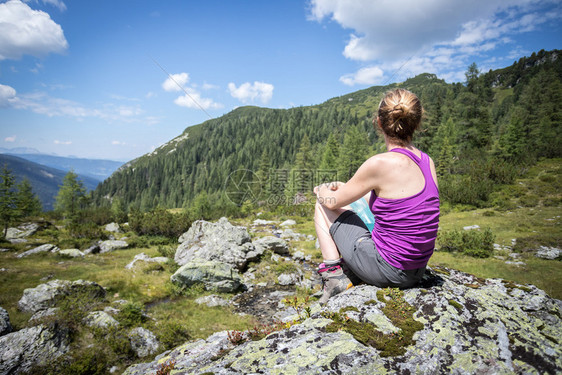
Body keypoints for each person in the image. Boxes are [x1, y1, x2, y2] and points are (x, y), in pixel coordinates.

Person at [313, 88, 439, 304]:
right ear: (416, 123)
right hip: (416, 269)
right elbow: (399, 206)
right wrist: (349, 188)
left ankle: (333, 277)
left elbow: (331, 201)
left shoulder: (379, 163)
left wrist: (322, 190)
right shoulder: (427, 162)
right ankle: (351, 271)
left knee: (322, 206)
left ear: (379, 123)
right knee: (351, 206)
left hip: (390, 271)